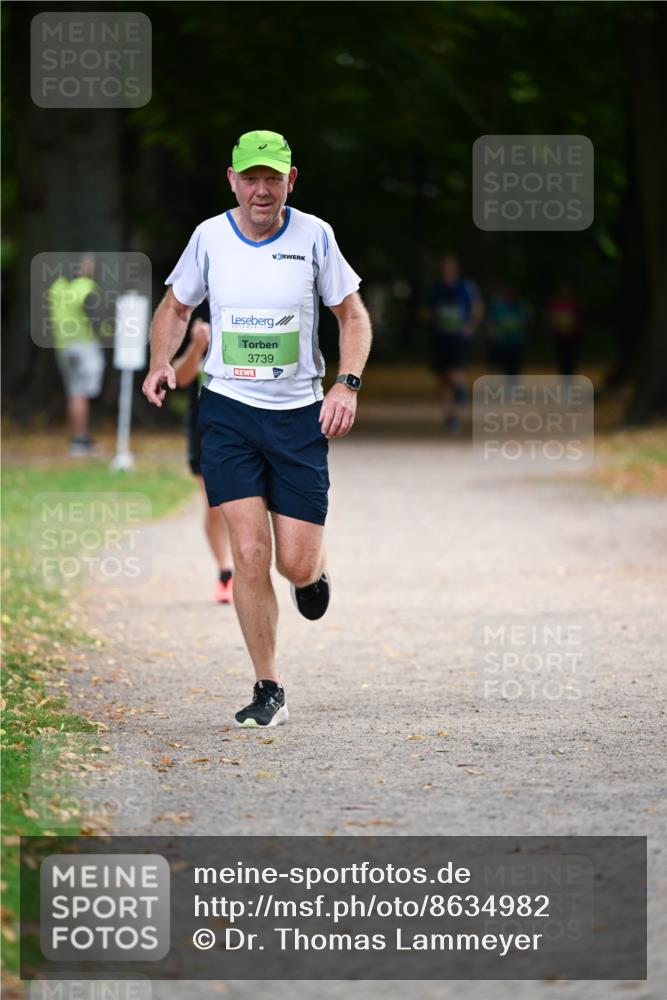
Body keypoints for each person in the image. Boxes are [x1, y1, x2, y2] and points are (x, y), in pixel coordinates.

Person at [142, 130, 372, 728]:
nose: (262, 189)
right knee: (248, 552)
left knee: (292, 564)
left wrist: (346, 383)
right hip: (228, 413)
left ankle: (314, 572)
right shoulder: (210, 237)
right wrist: (161, 361)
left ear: (291, 180)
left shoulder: (315, 236)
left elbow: (352, 315)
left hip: (297, 417)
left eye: (274, 178)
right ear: (233, 180)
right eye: (252, 177)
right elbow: (175, 307)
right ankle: (268, 685)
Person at [172, 308, 234, 604]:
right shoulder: (198, 314)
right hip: (204, 428)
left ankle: (249, 564)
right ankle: (225, 572)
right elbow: (180, 378)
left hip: (246, 422)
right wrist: (198, 346)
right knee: (214, 504)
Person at [48, 253, 107, 456]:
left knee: (74, 393)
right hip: (84, 345)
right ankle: (80, 440)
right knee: (83, 393)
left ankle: (78, 437)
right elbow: (96, 317)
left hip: (63, 346)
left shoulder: (58, 286)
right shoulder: (86, 287)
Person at [423, 253, 484, 433]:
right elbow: (425, 311)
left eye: (449, 269)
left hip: (458, 338)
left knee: (454, 370)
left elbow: (477, 306)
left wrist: (471, 325)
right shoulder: (434, 289)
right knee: (442, 380)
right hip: (439, 338)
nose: (446, 272)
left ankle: (460, 390)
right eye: (443, 269)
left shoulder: (466, 287)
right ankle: (450, 416)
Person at [485, 282, 530, 383]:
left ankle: (513, 389)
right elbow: (490, 322)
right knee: (497, 367)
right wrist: (491, 336)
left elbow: (527, 322)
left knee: (514, 368)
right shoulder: (497, 307)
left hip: (516, 342)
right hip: (500, 343)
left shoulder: (520, 306)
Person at [545, 281, 584, 381]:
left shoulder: (574, 304)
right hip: (559, 337)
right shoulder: (555, 304)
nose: (565, 292)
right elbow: (550, 318)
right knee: (562, 360)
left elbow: (580, 319)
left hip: (572, 337)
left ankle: (569, 380)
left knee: (570, 360)